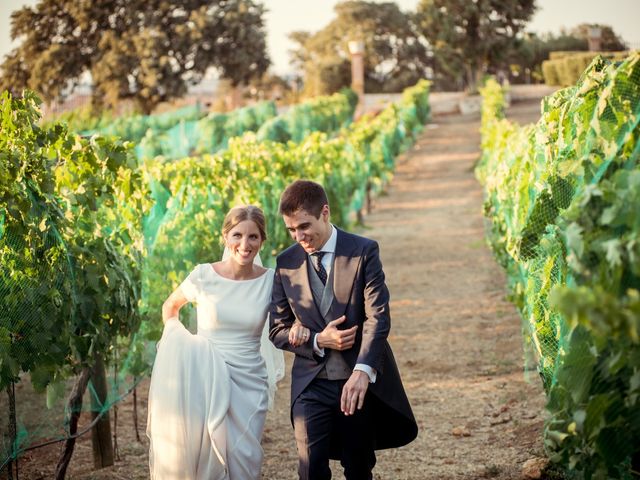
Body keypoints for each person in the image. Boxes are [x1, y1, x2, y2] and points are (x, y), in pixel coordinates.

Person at [269, 180, 418, 480]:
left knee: (358, 466)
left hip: (355, 380)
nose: (299, 236)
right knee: (310, 468)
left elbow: (378, 317)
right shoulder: (286, 262)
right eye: (291, 230)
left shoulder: (363, 250)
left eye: (304, 226)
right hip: (311, 383)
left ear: (325, 213)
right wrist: (316, 339)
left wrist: (362, 372)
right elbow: (277, 329)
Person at [147, 205, 284, 480]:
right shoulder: (203, 275)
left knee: (243, 459)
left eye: (253, 237)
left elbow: (287, 320)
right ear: (225, 237)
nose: (244, 244)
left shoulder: (271, 280)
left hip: (249, 383)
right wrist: (182, 347)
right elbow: (170, 307)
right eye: (237, 235)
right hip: (205, 378)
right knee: (205, 459)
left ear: (261, 241)